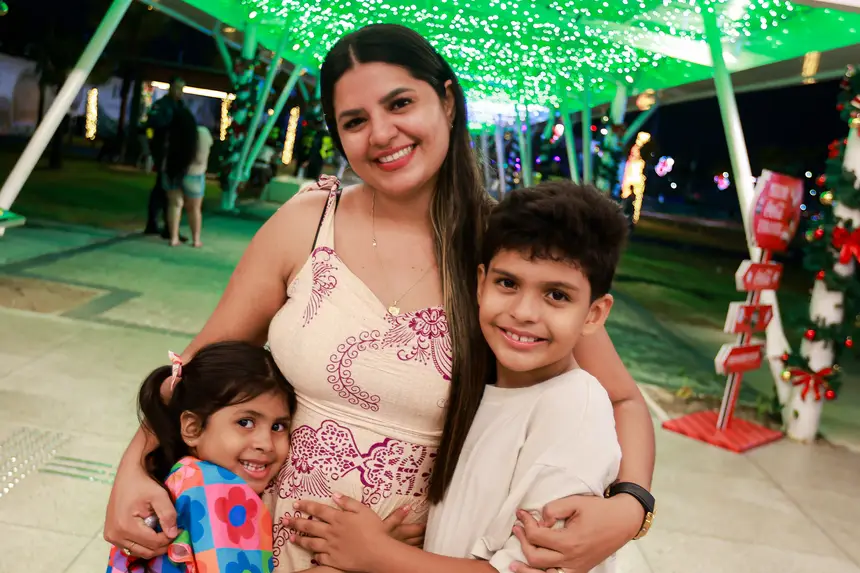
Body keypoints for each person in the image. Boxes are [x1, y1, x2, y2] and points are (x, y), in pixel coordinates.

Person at [103, 24, 655, 573]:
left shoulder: (509, 256)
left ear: (446, 101)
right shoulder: (307, 221)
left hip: (410, 557)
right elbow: (198, 365)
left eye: (400, 103)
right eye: (355, 121)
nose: (383, 133)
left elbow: (621, 400)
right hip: (258, 541)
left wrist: (630, 508)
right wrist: (135, 467)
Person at [283, 181, 629, 573]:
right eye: (508, 283)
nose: (524, 311)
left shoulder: (572, 409)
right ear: (480, 283)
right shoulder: (489, 390)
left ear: (595, 314)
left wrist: (378, 554)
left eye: (557, 295)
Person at [105, 341, 296, 571]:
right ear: (192, 428)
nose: (266, 444)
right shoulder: (224, 491)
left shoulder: (179, 475)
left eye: (278, 427)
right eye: (245, 422)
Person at [145, 76, 187, 241]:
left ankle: (165, 225)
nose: (179, 92)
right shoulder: (163, 106)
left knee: (165, 188)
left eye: (181, 89)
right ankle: (159, 224)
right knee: (164, 188)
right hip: (164, 151)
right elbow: (153, 124)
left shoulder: (179, 106)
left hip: (174, 152)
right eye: (177, 88)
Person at [166, 117, 213, 248]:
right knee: (194, 209)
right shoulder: (203, 134)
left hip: (174, 172)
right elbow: (202, 156)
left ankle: (173, 238)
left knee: (175, 205)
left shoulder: (175, 133)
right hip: (195, 173)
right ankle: (196, 239)